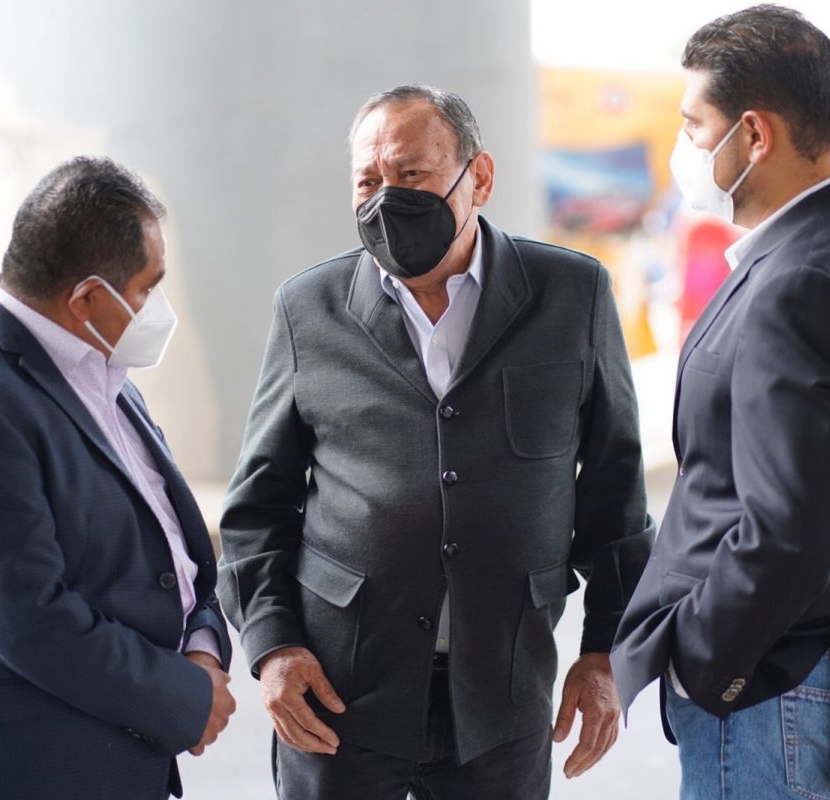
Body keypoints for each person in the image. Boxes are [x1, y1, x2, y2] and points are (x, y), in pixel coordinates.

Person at [217, 84, 653, 800]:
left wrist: (606, 651)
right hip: (339, 695)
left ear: (478, 177)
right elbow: (256, 511)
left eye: (411, 174)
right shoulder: (308, 309)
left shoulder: (572, 295)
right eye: (367, 181)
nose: (386, 198)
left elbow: (617, 497)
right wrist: (273, 647)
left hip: (503, 693)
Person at [610, 6, 830, 798]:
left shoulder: (800, 281)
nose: (684, 147)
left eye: (694, 125)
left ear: (754, 134)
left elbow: (790, 529)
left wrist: (702, 661)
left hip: (772, 691)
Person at [0, 157, 235, 800]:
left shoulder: (98, 367)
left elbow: (165, 544)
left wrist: (205, 645)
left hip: (121, 758)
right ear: (87, 299)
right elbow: (33, 621)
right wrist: (186, 697)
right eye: (147, 289)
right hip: (32, 771)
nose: (156, 310)